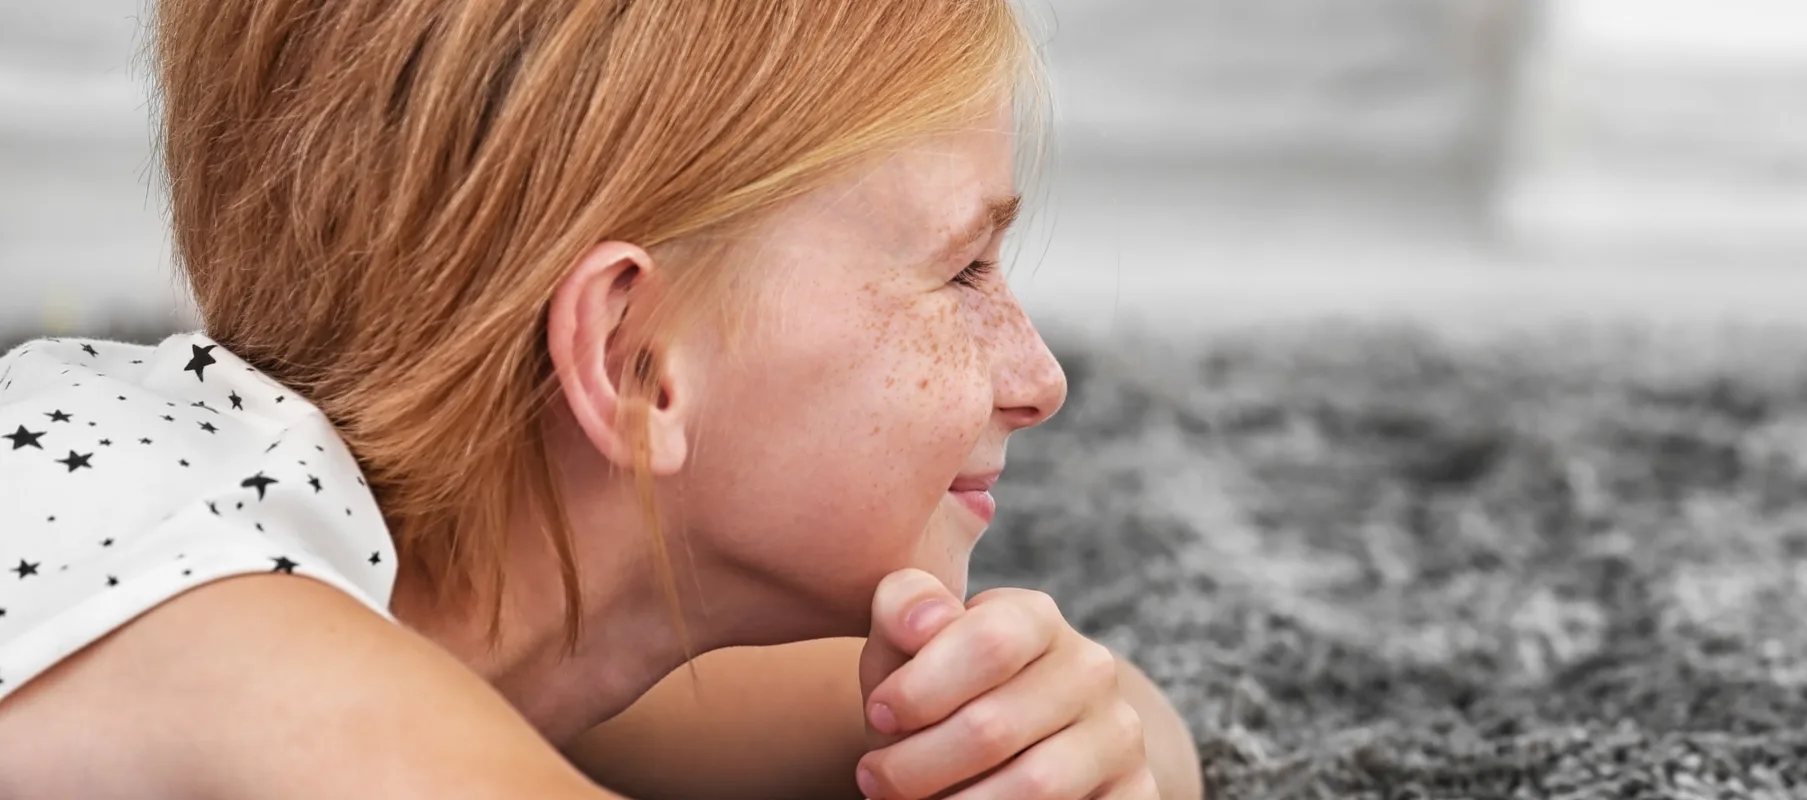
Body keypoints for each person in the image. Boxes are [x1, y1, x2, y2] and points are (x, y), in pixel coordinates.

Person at [0, 2, 1200, 797]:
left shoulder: (456, 615)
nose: (1039, 381)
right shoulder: (265, 674)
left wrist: (1047, 730)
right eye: (961, 271)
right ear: (631, 359)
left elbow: (1108, 717)